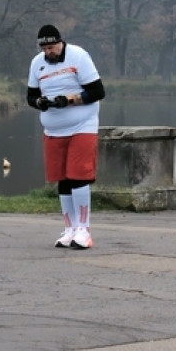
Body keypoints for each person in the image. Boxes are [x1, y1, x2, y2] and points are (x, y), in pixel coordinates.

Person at [26, 24, 106, 249]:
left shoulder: (78, 56)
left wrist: (69, 99)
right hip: (53, 130)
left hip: (82, 125)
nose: (49, 52)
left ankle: (84, 230)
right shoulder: (37, 63)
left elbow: (98, 91)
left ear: (61, 42)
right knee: (62, 178)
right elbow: (31, 96)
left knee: (78, 175)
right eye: (45, 48)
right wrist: (39, 102)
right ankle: (70, 228)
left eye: (52, 47)